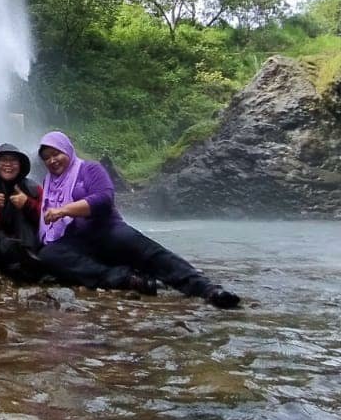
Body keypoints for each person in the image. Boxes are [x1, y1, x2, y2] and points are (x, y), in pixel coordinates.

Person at [36, 131, 241, 307]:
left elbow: (103, 199)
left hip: (108, 229)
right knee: (49, 255)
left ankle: (207, 289)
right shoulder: (49, 183)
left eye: (56, 153)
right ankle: (126, 278)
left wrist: (64, 210)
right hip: (80, 238)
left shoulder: (90, 169)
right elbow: (41, 214)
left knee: (152, 255)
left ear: (68, 150)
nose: (52, 160)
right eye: (46, 158)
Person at [0, 143, 44, 282]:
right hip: (2, 247)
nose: (8, 164)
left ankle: (28, 259)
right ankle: (23, 263)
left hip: (28, 241)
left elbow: (45, 221)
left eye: (13, 160)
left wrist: (27, 204)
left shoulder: (34, 189)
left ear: (20, 165)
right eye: (3, 160)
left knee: (23, 219)